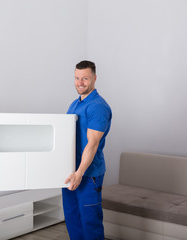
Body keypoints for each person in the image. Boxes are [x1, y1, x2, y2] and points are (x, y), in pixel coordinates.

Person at [62, 60, 112, 240]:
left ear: (94, 78)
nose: (80, 82)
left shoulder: (98, 106)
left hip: (88, 174)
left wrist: (80, 173)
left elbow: (92, 143)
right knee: (72, 219)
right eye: (77, 78)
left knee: (90, 223)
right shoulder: (74, 105)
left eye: (85, 78)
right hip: (71, 172)